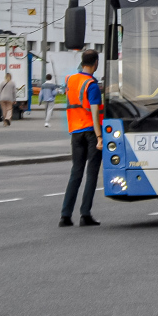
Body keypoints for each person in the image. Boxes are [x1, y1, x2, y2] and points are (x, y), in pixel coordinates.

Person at [60, 49, 104, 228]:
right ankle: (85, 213)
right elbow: (94, 112)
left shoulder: (70, 80)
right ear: (96, 63)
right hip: (91, 133)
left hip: (75, 132)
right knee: (91, 173)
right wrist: (100, 136)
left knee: (75, 173)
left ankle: (65, 215)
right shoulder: (91, 85)